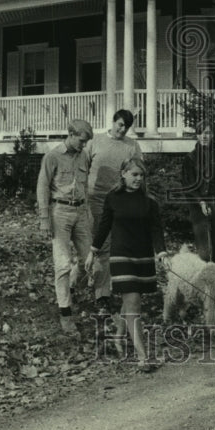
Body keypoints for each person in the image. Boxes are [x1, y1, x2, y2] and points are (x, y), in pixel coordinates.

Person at [85, 157, 168, 372]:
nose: (138, 179)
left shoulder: (149, 202)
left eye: (141, 175)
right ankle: (143, 357)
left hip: (143, 257)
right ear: (123, 174)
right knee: (133, 303)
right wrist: (93, 251)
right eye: (134, 174)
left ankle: (119, 334)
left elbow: (156, 229)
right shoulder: (113, 198)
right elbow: (104, 226)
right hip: (121, 256)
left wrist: (161, 252)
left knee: (131, 301)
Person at [36, 118, 94, 335]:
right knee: (62, 264)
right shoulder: (52, 156)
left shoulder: (84, 156)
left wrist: (88, 212)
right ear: (70, 134)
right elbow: (42, 186)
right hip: (59, 212)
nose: (84, 145)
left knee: (89, 260)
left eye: (86, 142)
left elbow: (84, 186)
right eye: (81, 140)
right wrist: (44, 218)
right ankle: (66, 314)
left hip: (81, 212)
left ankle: (71, 286)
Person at [81, 109, 143, 313]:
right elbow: (82, 168)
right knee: (101, 246)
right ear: (113, 121)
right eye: (120, 124)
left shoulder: (132, 146)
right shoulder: (95, 142)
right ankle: (102, 296)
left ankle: (81, 279)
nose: (122, 129)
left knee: (113, 247)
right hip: (95, 201)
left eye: (126, 127)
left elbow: (139, 173)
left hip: (119, 202)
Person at [181, 122, 215, 263]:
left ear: (212, 135)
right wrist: (201, 202)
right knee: (204, 251)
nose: (204, 136)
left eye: (208, 133)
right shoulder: (190, 158)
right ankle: (204, 272)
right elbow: (188, 184)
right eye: (201, 133)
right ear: (197, 136)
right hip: (197, 204)